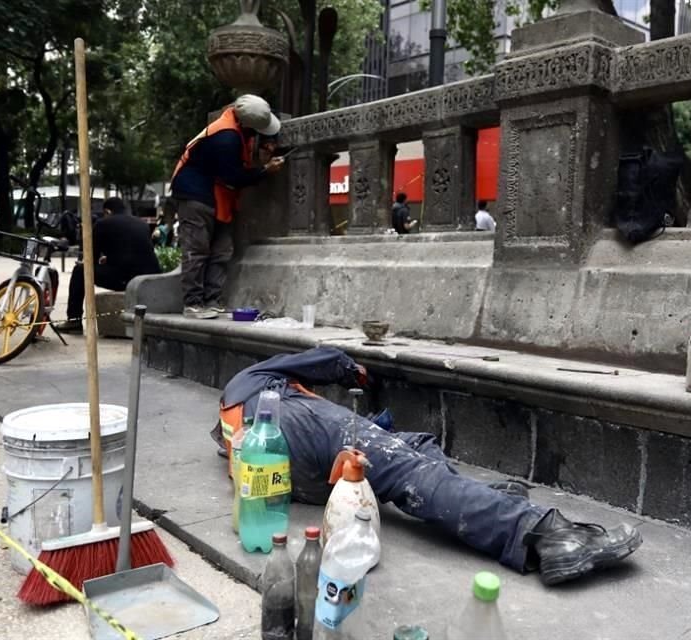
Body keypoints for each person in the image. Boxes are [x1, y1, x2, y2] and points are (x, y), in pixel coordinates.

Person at [214, 346, 643, 586]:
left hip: (289, 480)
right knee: (408, 471)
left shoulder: (230, 420)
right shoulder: (262, 378)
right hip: (290, 423)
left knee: (413, 448)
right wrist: (355, 373)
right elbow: (322, 358)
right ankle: (545, 535)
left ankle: (484, 501)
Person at [170, 94, 285, 320]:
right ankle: (192, 303)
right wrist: (264, 171)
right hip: (195, 195)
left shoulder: (238, 123)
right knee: (197, 249)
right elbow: (233, 177)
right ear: (247, 124)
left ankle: (213, 300)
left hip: (218, 195)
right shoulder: (226, 138)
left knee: (222, 250)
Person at [57, 197, 160, 333]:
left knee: (80, 271)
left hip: (125, 280)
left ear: (107, 211)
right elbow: (135, 252)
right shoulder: (141, 224)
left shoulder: (103, 224)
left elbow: (90, 259)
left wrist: (88, 262)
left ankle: (74, 320)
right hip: (148, 280)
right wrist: (110, 258)